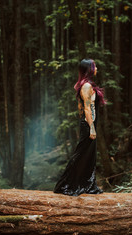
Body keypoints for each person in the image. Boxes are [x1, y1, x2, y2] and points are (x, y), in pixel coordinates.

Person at [53, 59, 105, 196]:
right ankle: (66, 184)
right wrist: (91, 128)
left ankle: (87, 184)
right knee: (81, 155)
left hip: (89, 123)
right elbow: (86, 109)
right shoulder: (86, 86)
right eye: (95, 66)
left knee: (89, 156)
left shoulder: (86, 85)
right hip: (88, 124)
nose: (97, 68)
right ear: (89, 69)